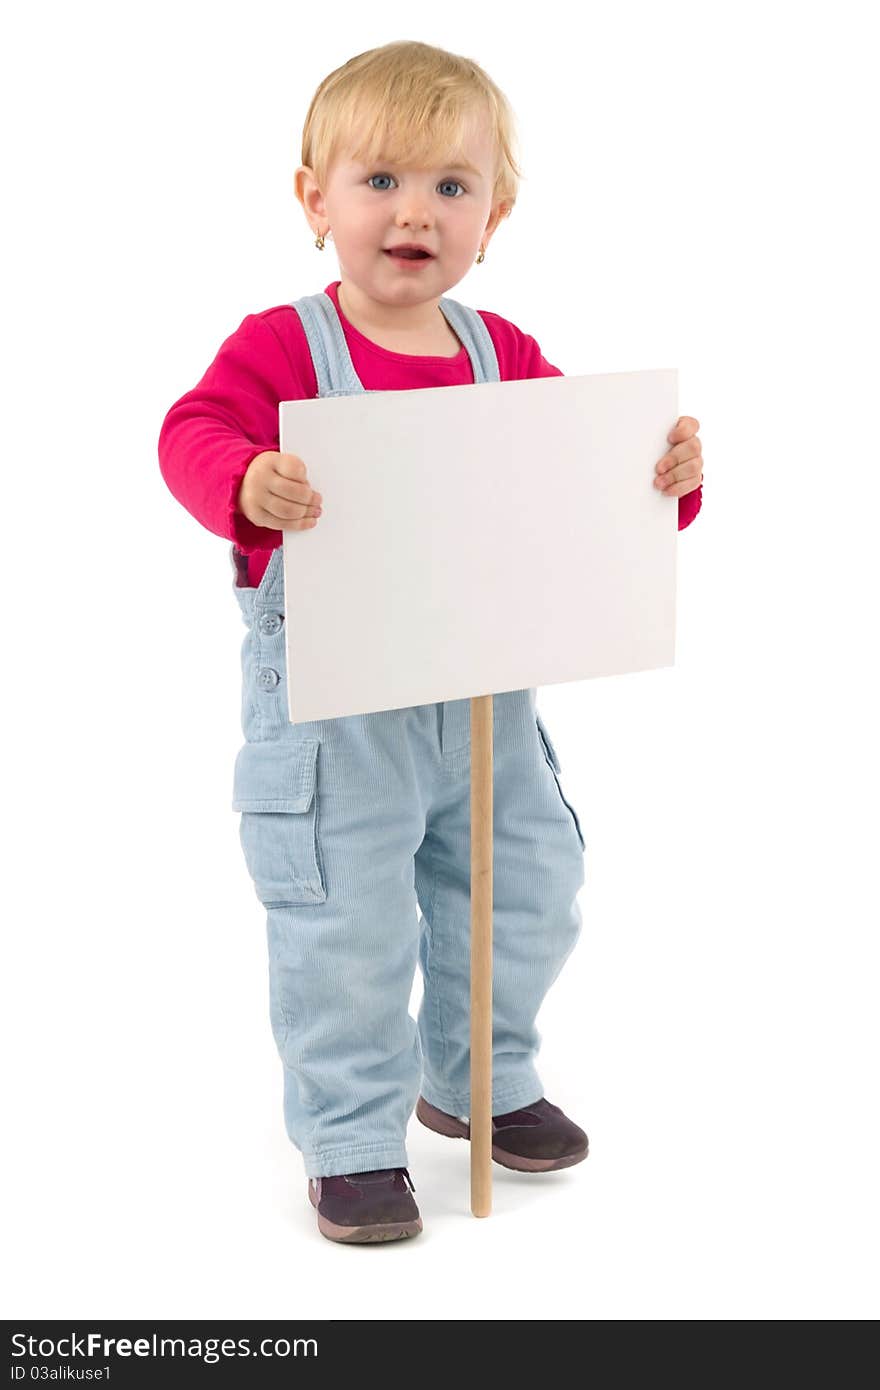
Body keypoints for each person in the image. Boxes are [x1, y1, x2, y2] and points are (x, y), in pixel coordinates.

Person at [157, 39, 704, 1246]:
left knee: (524, 887)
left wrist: (661, 476)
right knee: (346, 918)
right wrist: (244, 480)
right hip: (337, 713)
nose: (416, 212)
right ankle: (351, 1137)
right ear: (316, 200)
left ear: (492, 217)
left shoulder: (499, 353)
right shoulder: (283, 345)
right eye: (381, 182)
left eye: (452, 188)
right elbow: (188, 430)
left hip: (484, 699)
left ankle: (478, 1080)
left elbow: (586, 481)